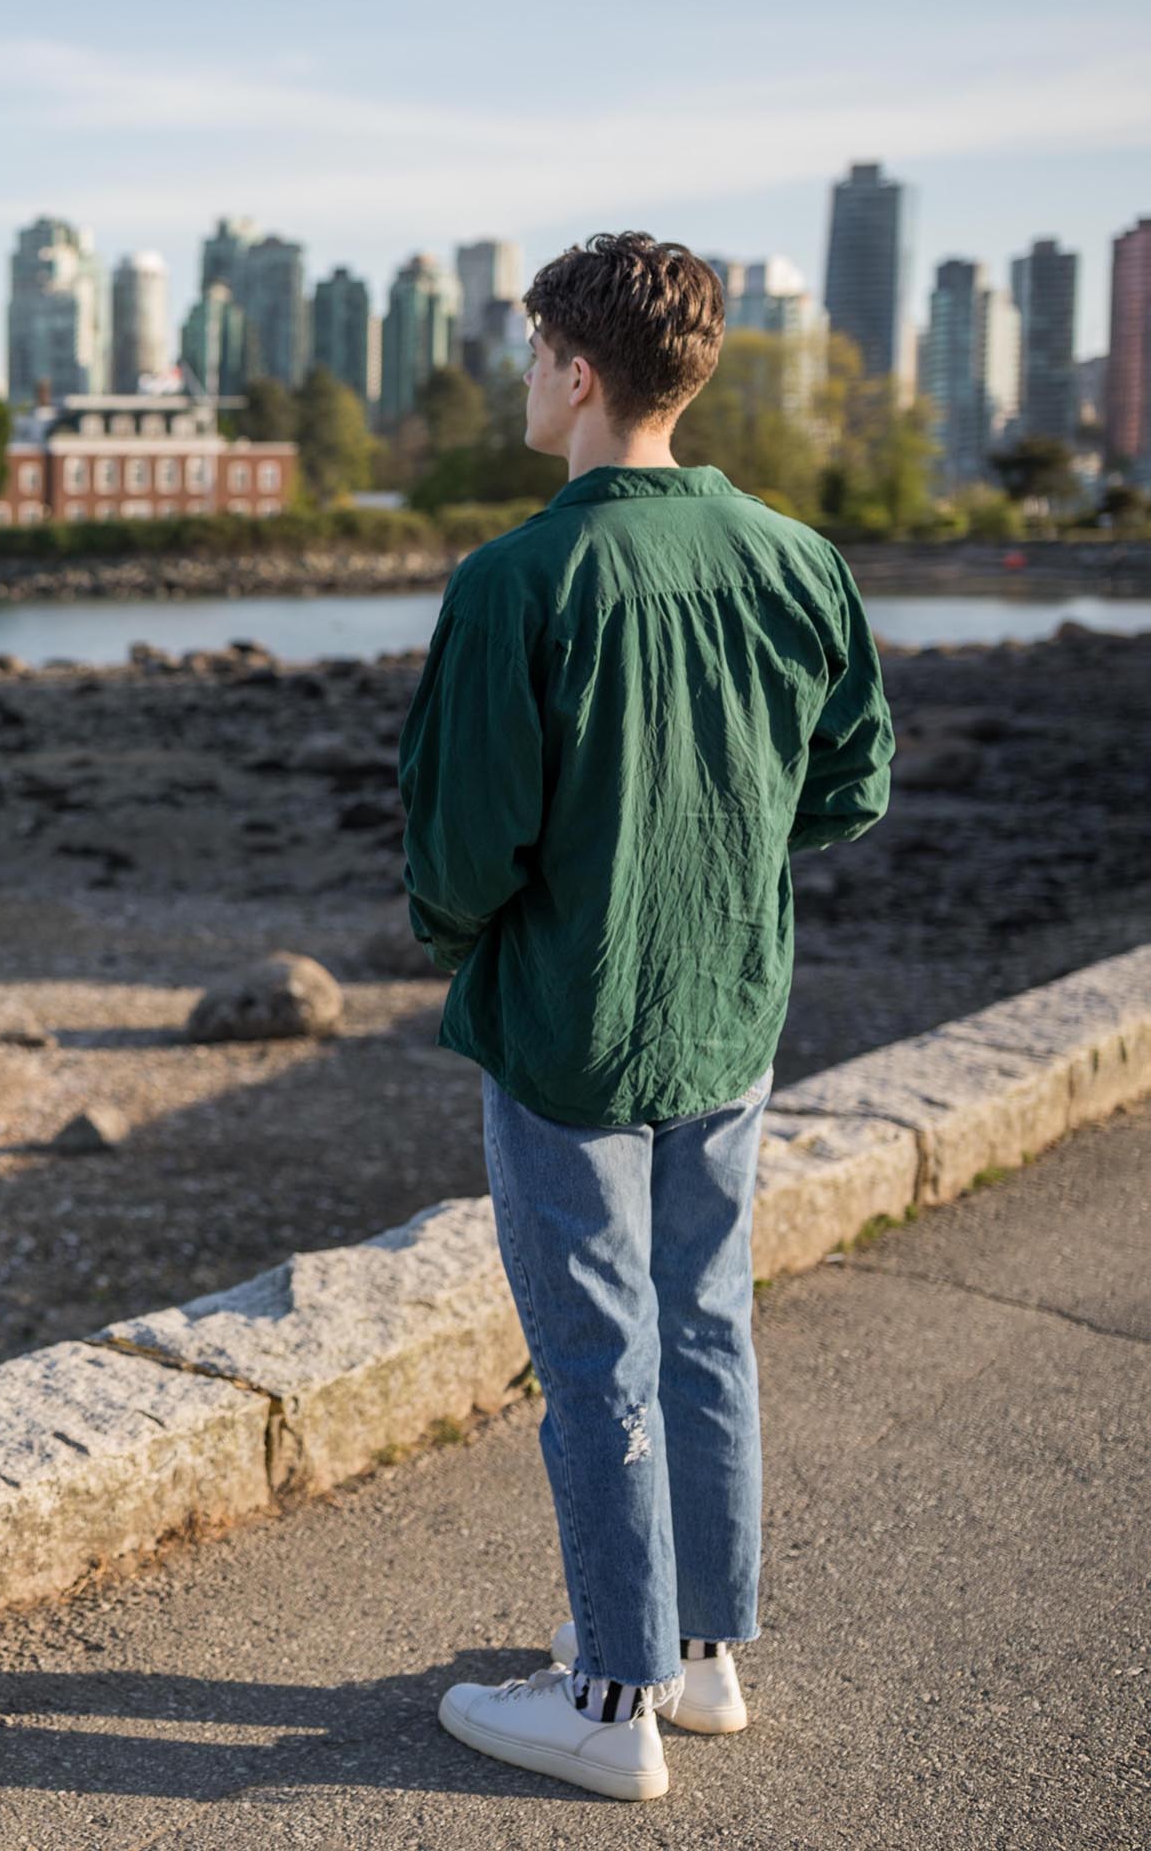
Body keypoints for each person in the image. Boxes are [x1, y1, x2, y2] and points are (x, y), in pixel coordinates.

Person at [397, 232, 893, 1800]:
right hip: (729, 1005)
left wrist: (458, 937)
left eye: (536, 354)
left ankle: (611, 1702)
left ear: (583, 372)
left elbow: (464, 845)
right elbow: (854, 778)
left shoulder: (519, 578)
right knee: (705, 1321)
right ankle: (697, 1655)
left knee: (601, 1350)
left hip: (572, 1020)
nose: (525, 379)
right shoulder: (797, 558)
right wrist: (725, 857)